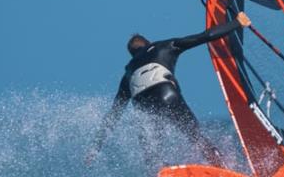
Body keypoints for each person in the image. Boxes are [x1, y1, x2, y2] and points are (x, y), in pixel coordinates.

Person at [85, 11, 252, 167]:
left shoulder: (128, 73)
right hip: (166, 94)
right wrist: (236, 23)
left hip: (146, 109)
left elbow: (114, 113)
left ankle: (164, 173)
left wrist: (95, 147)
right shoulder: (165, 46)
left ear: (132, 55)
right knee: (196, 138)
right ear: (148, 43)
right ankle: (222, 167)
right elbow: (205, 36)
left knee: (151, 154)